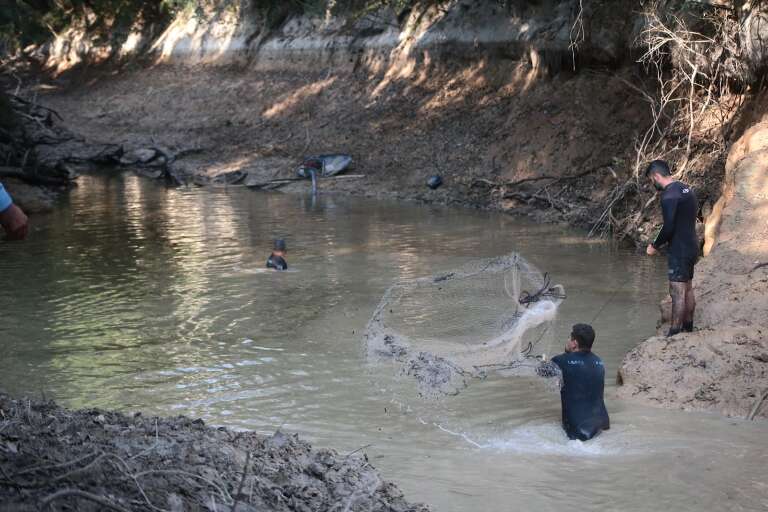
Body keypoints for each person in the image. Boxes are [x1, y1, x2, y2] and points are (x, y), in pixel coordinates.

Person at [644, 160, 698, 336]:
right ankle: (688, 327)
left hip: (680, 249)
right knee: (687, 287)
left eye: (651, 180)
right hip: (691, 245)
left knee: (677, 290)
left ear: (656, 176)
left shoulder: (669, 196)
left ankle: (675, 331)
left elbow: (668, 226)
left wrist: (654, 245)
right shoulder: (685, 189)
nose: (652, 184)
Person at [538, 323, 610, 441]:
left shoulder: (562, 360)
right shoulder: (599, 362)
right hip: (602, 426)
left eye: (569, 338)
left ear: (574, 343)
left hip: (578, 434)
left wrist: (543, 361)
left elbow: (541, 371)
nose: (567, 341)